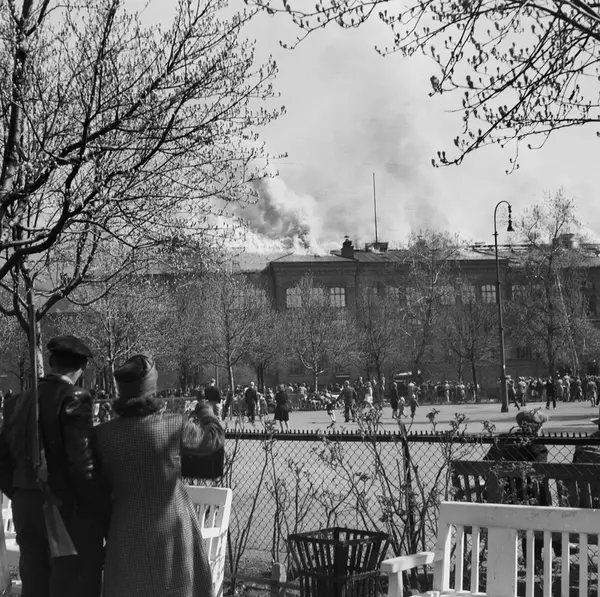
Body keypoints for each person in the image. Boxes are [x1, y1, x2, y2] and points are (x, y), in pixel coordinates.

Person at [95, 353, 224, 597]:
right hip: (173, 527)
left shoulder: (103, 435)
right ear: (151, 386)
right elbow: (213, 440)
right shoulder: (174, 425)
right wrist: (207, 412)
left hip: (125, 531)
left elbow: (98, 490)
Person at [0, 335, 109, 597]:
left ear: (51, 362)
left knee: (35, 582)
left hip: (25, 506)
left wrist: (20, 493)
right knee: (71, 584)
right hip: (63, 508)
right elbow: (82, 463)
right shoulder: (74, 397)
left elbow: (2, 461)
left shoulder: (16, 401)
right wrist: (99, 512)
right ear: (82, 367)